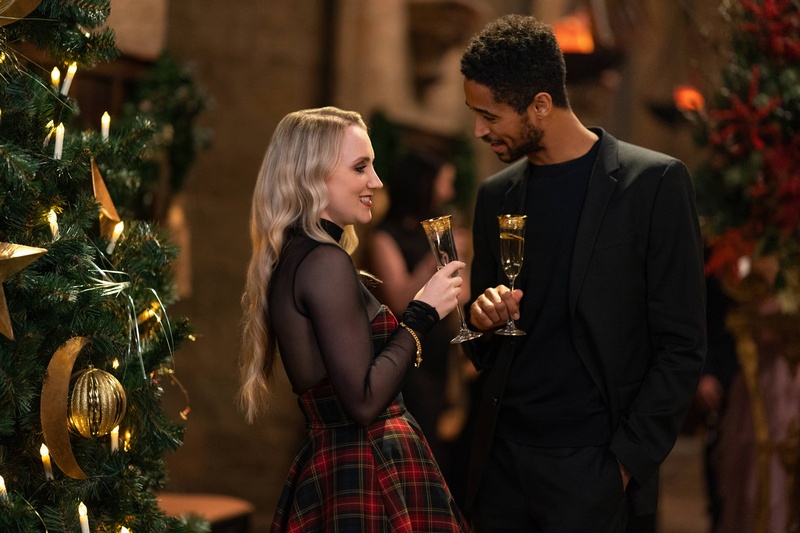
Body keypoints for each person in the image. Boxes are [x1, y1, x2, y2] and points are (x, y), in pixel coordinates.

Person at [459, 15, 707, 533]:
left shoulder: (653, 184)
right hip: (501, 468)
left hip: (594, 469)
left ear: (540, 105)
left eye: (489, 115)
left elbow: (682, 345)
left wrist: (622, 467)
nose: (479, 130)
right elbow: (483, 346)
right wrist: (480, 320)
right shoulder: (495, 195)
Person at [238, 106, 471, 532]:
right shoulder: (323, 261)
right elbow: (363, 402)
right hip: (367, 468)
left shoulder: (302, 254)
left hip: (349, 463)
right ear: (313, 174)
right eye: (361, 167)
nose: (376, 182)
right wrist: (422, 313)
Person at [364, 149, 469, 473]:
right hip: (407, 356)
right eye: (445, 182)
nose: (449, 192)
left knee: (440, 442)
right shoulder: (385, 235)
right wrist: (436, 257)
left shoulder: (440, 225)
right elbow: (398, 298)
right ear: (424, 184)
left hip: (439, 354)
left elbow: (461, 293)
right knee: (414, 447)